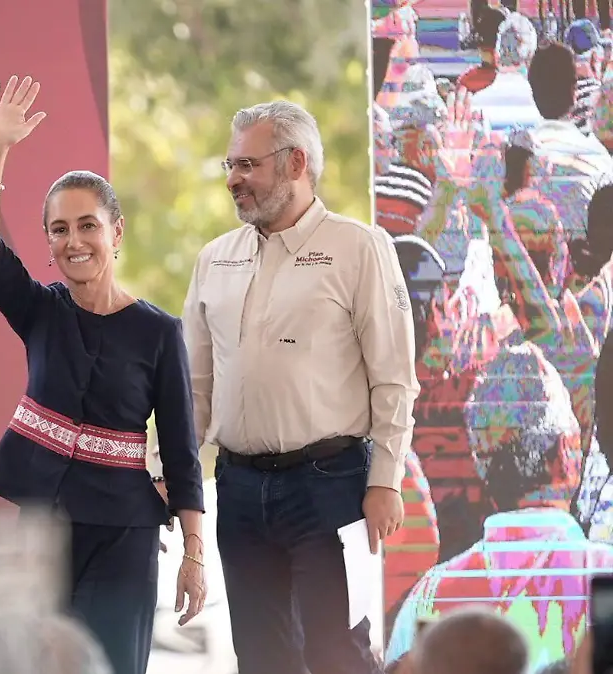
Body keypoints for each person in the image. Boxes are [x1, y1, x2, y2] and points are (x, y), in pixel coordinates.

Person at [0, 75, 206, 674]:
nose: (75, 241)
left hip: (124, 534)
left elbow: (181, 453)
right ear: (47, 242)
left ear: (115, 232)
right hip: (41, 531)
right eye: (59, 229)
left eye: (88, 225)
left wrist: (194, 557)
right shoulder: (40, 309)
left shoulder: (158, 331)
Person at [181, 100, 419, 674]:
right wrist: (176, 476)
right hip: (236, 489)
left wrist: (385, 482)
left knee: (338, 655)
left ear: (295, 163)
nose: (234, 180)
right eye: (229, 165)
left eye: (247, 165)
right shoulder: (215, 258)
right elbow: (194, 386)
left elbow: (394, 378)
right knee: (261, 659)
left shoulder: (360, 248)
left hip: (331, 488)